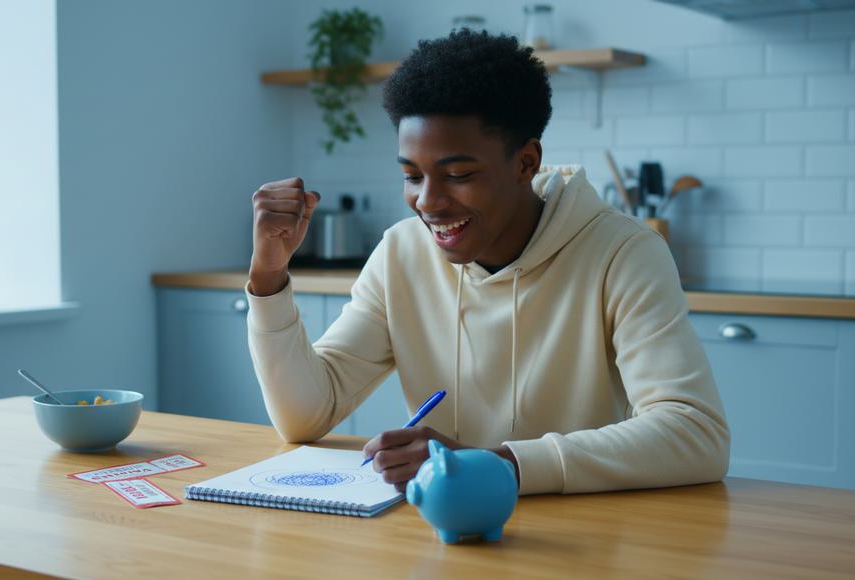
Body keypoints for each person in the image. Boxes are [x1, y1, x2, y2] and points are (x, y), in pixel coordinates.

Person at [246, 30, 729, 495]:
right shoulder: (401, 253)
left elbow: (695, 434)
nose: (427, 202)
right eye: (412, 175)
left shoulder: (622, 253)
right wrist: (268, 275)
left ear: (525, 163)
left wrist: (497, 465)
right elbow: (304, 416)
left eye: (458, 174)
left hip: (581, 539)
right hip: (442, 529)